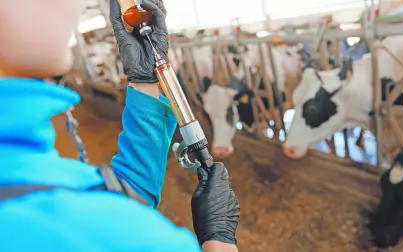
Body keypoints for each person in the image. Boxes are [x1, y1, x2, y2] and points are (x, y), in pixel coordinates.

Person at [0, 0, 240, 251]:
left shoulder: (18, 163)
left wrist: (144, 80)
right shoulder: (85, 232)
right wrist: (219, 239)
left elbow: (112, 197)